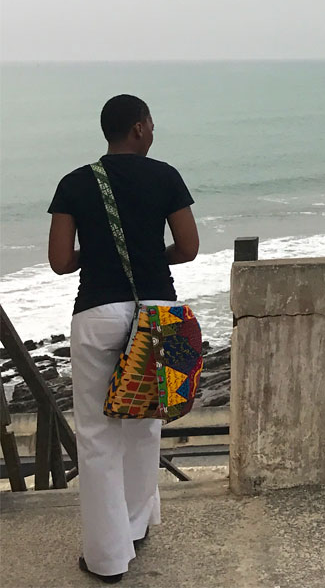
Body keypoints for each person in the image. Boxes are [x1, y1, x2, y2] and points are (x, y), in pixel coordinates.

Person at [48, 94, 199, 583]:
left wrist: (96, 257)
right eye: (151, 122)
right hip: (156, 313)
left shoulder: (74, 183)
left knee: (97, 437)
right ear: (137, 128)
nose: (154, 130)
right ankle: (136, 528)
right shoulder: (165, 176)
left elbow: (59, 260)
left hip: (96, 313)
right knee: (145, 424)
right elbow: (190, 248)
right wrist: (152, 259)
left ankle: (108, 558)